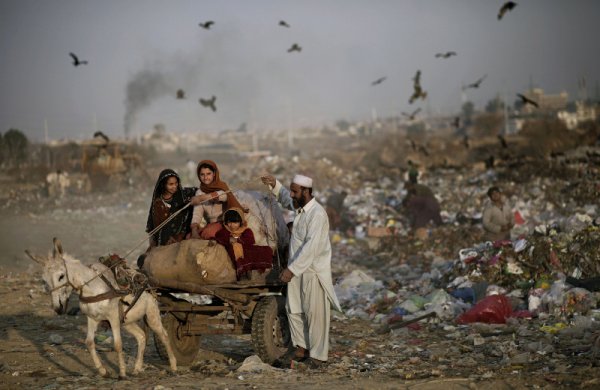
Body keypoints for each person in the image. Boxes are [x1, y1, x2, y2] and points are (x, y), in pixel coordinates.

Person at [261, 173, 341, 369]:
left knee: (315, 315)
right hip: (297, 270)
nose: (292, 195)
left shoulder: (317, 214)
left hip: (312, 272)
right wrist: (275, 185)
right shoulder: (300, 209)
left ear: (306, 191)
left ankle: (318, 356)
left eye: (295, 191)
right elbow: (287, 200)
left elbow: (311, 248)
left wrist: (291, 269)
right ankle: (301, 349)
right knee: (294, 310)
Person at [190, 160, 244, 240]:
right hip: (210, 224)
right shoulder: (199, 192)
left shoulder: (222, 186)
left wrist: (202, 198)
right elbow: (197, 214)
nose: (205, 177)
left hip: (225, 223)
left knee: (209, 233)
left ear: (214, 174)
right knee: (189, 236)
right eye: (202, 174)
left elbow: (224, 196)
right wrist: (194, 230)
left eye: (208, 174)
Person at [214, 208, 273, 280]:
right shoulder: (224, 231)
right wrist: (229, 240)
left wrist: (238, 240)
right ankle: (243, 270)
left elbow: (250, 241)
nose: (231, 225)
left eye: (235, 222)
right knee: (235, 246)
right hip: (233, 251)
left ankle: (251, 268)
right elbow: (219, 238)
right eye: (229, 222)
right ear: (225, 222)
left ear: (240, 222)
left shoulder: (246, 230)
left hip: (246, 249)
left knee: (267, 249)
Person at [145, 169, 197, 250]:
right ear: (163, 185)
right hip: (162, 240)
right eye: (171, 184)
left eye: (176, 183)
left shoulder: (184, 194)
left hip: (181, 236)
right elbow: (153, 226)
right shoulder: (158, 202)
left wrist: (199, 197)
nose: (175, 186)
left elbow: (200, 191)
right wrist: (153, 241)